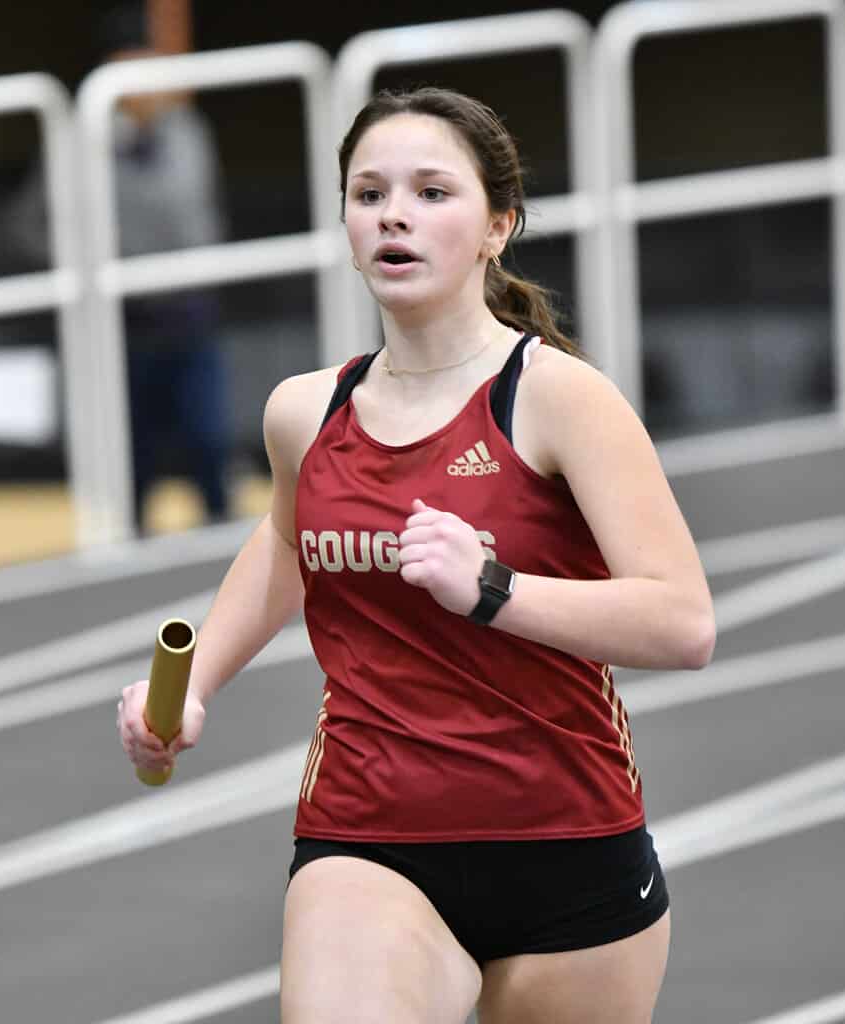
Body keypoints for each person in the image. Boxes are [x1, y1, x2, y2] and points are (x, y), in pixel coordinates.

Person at [117, 86, 716, 1022]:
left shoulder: (561, 400)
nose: (393, 212)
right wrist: (195, 687)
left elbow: (683, 624)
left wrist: (494, 590)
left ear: (497, 227)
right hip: (367, 833)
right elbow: (286, 538)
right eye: (369, 193)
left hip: (566, 842)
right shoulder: (304, 412)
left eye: (433, 192)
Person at [7, 0, 232, 534]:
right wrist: (89, 265)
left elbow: (207, 210)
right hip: (123, 327)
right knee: (133, 459)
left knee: (210, 445)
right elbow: (28, 226)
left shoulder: (187, 131)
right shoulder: (79, 142)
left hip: (192, 316)